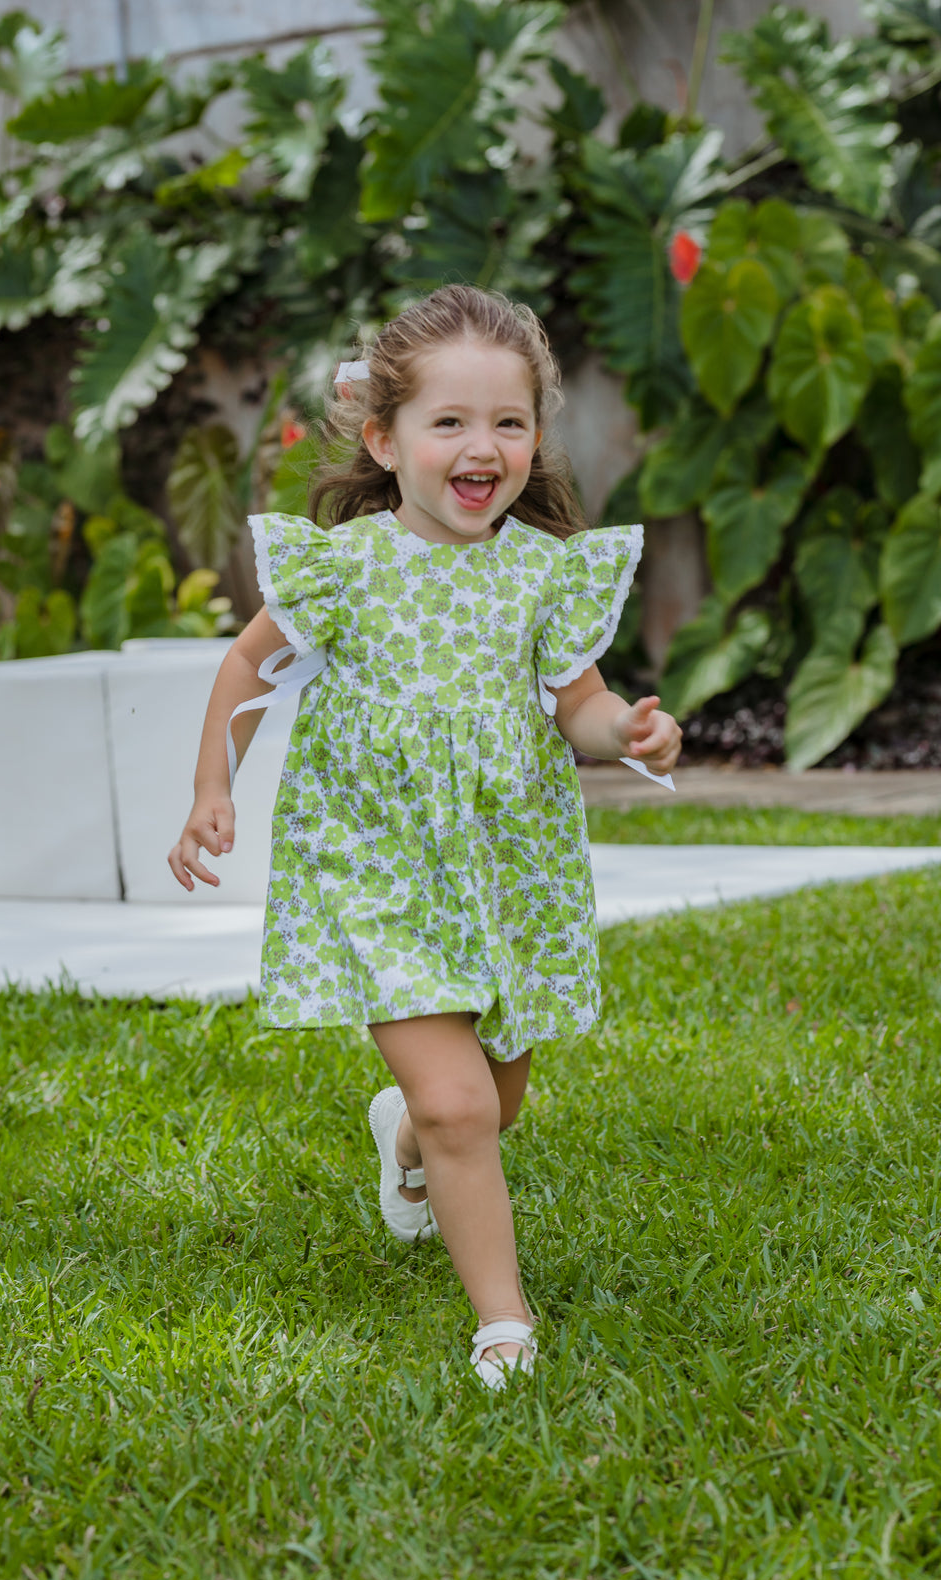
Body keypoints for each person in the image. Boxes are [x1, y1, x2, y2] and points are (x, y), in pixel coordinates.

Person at [169, 284, 681, 1390]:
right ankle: (504, 1320)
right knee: (463, 1108)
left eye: (506, 422)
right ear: (384, 438)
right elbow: (248, 668)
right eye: (448, 422)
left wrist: (628, 730)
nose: (480, 446)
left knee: (496, 1102)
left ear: (535, 440)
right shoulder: (344, 565)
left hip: (507, 872)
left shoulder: (543, 571)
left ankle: (402, 1138)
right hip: (379, 866)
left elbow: (577, 705)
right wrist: (215, 787)